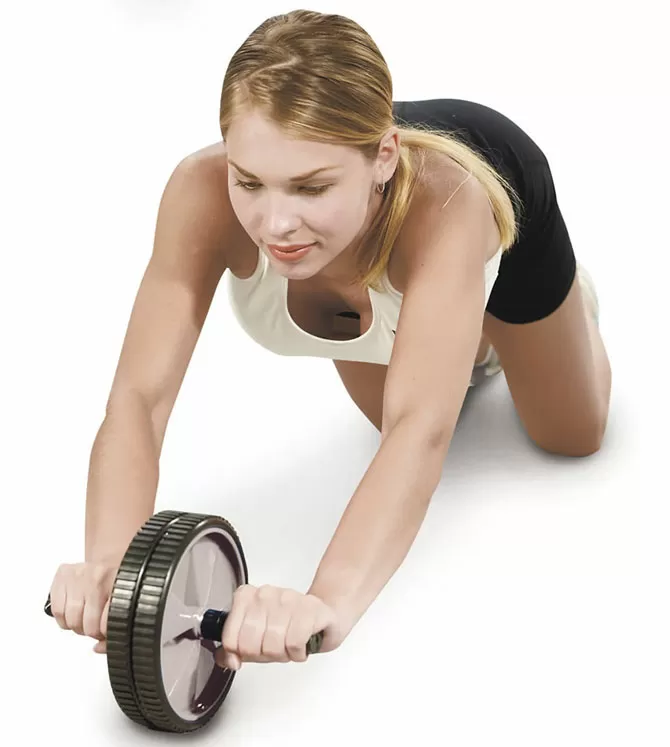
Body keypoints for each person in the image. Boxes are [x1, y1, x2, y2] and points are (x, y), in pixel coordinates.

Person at [47, 10, 611, 671]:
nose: (275, 223)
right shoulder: (198, 193)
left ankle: (508, 305)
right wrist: (113, 570)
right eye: (248, 181)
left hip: (492, 201)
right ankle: (451, 327)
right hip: (365, 264)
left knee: (570, 436)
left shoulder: (448, 202)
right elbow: (139, 399)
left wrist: (327, 602)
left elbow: (418, 430)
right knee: (418, 407)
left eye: (310, 187)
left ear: (384, 156)